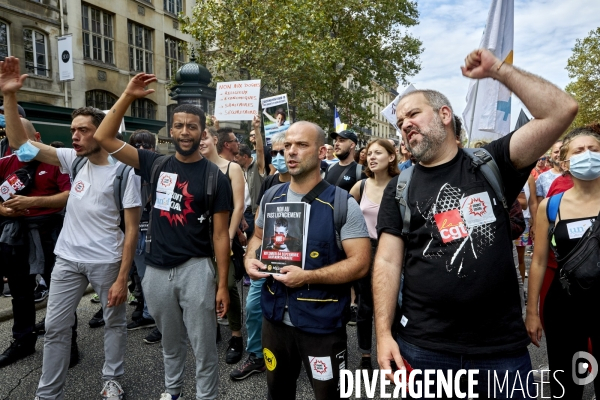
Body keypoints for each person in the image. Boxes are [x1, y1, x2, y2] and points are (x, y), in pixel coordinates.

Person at [373, 48, 578, 398]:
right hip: (424, 349)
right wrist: (383, 334)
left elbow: (562, 110)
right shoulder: (400, 187)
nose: (405, 123)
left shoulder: (493, 163)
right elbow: (388, 261)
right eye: (400, 121)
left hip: (500, 351)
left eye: (414, 113)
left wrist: (499, 70)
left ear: (445, 114)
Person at [0, 56, 142, 400]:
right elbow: (23, 147)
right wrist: (9, 97)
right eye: (73, 130)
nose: (75, 136)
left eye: (83, 130)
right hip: (66, 259)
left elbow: (132, 230)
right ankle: (48, 393)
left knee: (114, 323)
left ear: (103, 132)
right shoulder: (71, 159)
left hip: (106, 262)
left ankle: (112, 380)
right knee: (55, 327)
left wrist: (123, 277)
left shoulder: (124, 172)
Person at [94, 73, 232, 400]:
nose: (186, 132)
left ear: (202, 132)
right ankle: (172, 392)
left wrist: (222, 284)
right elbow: (104, 137)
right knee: (171, 343)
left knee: (203, 347)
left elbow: (221, 235)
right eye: (180, 126)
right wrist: (127, 93)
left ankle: (206, 396)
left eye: (192, 126)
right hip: (155, 271)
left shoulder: (216, 178)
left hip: (196, 269)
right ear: (171, 131)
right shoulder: (154, 164)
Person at [245, 121, 371, 399]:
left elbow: (361, 262)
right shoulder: (271, 196)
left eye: (301, 145)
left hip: (321, 325)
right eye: (287, 145)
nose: (291, 152)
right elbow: (256, 236)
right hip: (274, 320)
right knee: (277, 393)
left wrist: (309, 277)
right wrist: (250, 259)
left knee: (328, 395)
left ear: (321, 151)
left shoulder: (340, 203)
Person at [526, 125, 600, 399]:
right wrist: (532, 312)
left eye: (594, 149)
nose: (588, 155)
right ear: (565, 161)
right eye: (579, 150)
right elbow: (539, 261)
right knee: (567, 385)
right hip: (564, 305)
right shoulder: (551, 206)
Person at [0, 117, 71, 368]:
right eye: (13, 142)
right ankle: (23, 341)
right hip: (17, 235)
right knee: (20, 293)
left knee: (61, 292)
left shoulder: (55, 163)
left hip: (50, 231)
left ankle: (67, 343)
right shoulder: (6, 163)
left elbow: (68, 196)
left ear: (37, 137)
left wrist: (31, 203)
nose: (19, 147)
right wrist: (3, 209)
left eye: (24, 141)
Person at [230, 132, 289, 381]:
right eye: (274, 152)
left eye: (283, 150)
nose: (280, 156)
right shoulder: (270, 182)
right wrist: (250, 254)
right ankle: (256, 355)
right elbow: (259, 223)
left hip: (298, 262)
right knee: (254, 306)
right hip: (268, 256)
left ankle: (295, 355)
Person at [348, 139, 399, 371]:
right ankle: (366, 355)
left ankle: (395, 352)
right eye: (369, 153)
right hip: (366, 250)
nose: (371, 157)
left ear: (391, 157)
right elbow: (345, 219)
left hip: (395, 250)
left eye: (378, 152)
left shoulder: (401, 185)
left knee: (396, 304)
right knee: (365, 306)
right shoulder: (360, 187)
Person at [200, 123, 246, 365]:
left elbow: (238, 206)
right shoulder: (195, 168)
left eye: (205, 136)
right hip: (198, 239)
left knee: (226, 284)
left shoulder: (232, 168)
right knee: (205, 285)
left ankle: (236, 335)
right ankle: (212, 328)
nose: (201, 141)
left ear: (215, 139)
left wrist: (229, 235)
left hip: (223, 236)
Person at [123, 130, 162, 345]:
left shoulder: (160, 169)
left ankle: (161, 322)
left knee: (154, 278)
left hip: (154, 232)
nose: (141, 150)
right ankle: (147, 313)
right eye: (136, 144)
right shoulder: (126, 171)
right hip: (134, 231)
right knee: (140, 277)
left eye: (146, 145)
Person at [234, 116, 266, 241]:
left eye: (236, 156)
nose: (234, 159)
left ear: (245, 156)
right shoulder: (237, 169)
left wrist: (256, 128)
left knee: (255, 242)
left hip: (255, 213)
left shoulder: (258, 166)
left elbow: (260, 151)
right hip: (242, 214)